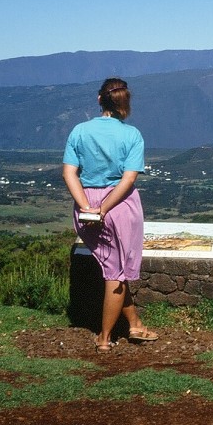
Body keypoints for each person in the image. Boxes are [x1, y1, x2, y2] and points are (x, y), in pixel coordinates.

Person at [62, 77, 159, 352]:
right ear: (124, 101)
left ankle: (135, 323)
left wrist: (86, 207)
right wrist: (104, 208)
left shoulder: (79, 131)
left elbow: (69, 172)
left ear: (99, 99)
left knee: (112, 264)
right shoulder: (132, 135)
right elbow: (127, 180)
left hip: (86, 203)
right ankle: (104, 338)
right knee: (116, 272)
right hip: (119, 205)